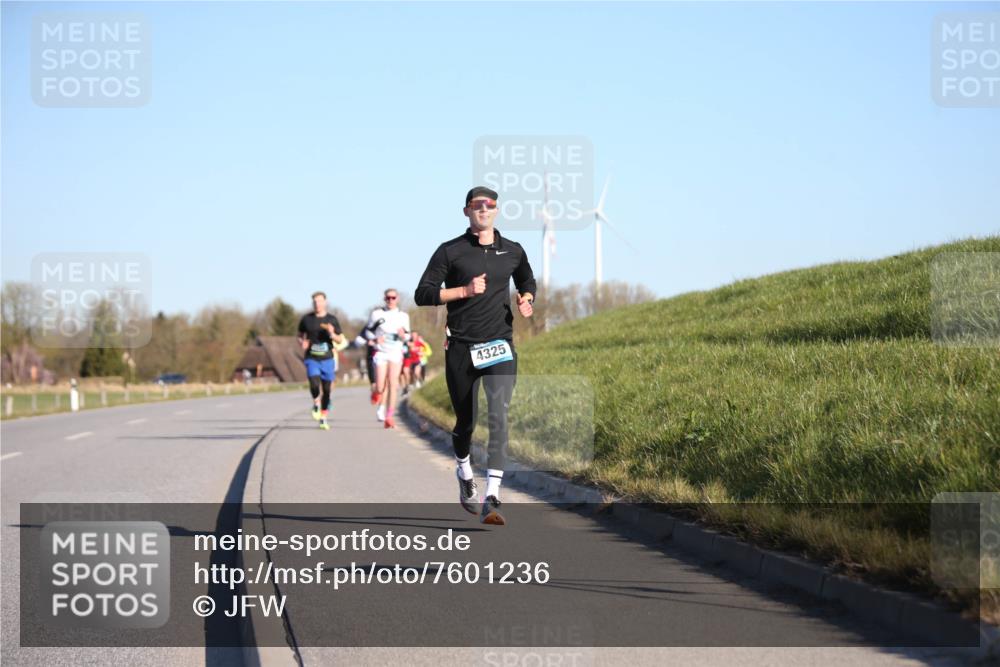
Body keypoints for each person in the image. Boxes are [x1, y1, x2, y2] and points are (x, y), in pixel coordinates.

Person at [415, 186, 536, 525]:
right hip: (462, 349)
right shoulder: (450, 252)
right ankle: (464, 471)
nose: (484, 209)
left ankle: (492, 494)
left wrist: (527, 298)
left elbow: (527, 278)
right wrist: (463, 291)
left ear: (497, 210)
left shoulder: (512, 250)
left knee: (499, 415)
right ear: (466, 211)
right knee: (466, 421)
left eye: (490, 205)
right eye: (477, 205)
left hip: (499, 346)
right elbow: (423, 294)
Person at [363, 289, 411, 429]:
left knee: (393, 384)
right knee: (379, 386)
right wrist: (375, 338)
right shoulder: (377, 314)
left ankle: (389, 416)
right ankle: (376, 393)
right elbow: (367, 331)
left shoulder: (403, 316)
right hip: (381, 352)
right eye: (388, 298)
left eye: (393, 298)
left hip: (395, 352)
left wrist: (403, 336)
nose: (390, 300)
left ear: (398, 299)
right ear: (384, 299)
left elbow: (407, 336)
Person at [297, 291, 345, 431]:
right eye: (315, 302)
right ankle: (316, 402)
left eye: (319, 301)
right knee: (313, 383)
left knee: (327, 390)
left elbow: (340, 339)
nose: (317, 304)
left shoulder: (332, 319)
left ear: (325, 302)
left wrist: (332, 333)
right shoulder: (306, 319)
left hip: (327, 359)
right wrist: (302, 342)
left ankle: (323, 417)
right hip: (312, 358)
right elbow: (300, 335)